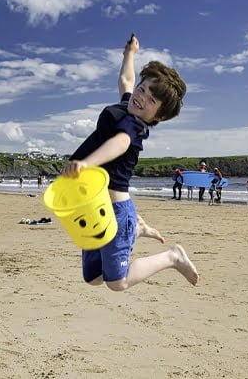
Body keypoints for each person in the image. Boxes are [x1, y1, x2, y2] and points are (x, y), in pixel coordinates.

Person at [61, 34, 199, 292]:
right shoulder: (127, 105)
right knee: (93, 277)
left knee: (118, 282)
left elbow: (120, 144)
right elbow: (126, 79)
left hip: (116, 211)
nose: (142, 97)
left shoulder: (134, 126)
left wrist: (87, 164)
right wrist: (130, 54)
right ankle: (137, 228)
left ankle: (172, 257)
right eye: (143, 89)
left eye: (151, 100)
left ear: (158, 116)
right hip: (95, 207)